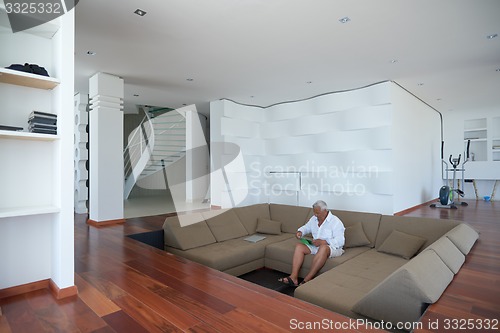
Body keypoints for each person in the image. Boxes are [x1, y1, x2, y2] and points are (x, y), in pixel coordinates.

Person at [278, 200, 345, 287]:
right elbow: (306, 227)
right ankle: (293, 277)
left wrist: (324, 242)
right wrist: (300, 232)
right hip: (316, 246)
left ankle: (307, 279)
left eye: (317, 213)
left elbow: (340, 241)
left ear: (325, 211)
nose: (315, 215)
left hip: (333, 248)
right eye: (314, 213)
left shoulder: (335, 222)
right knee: (299, 246)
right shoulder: (314, 219)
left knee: (323, 247)